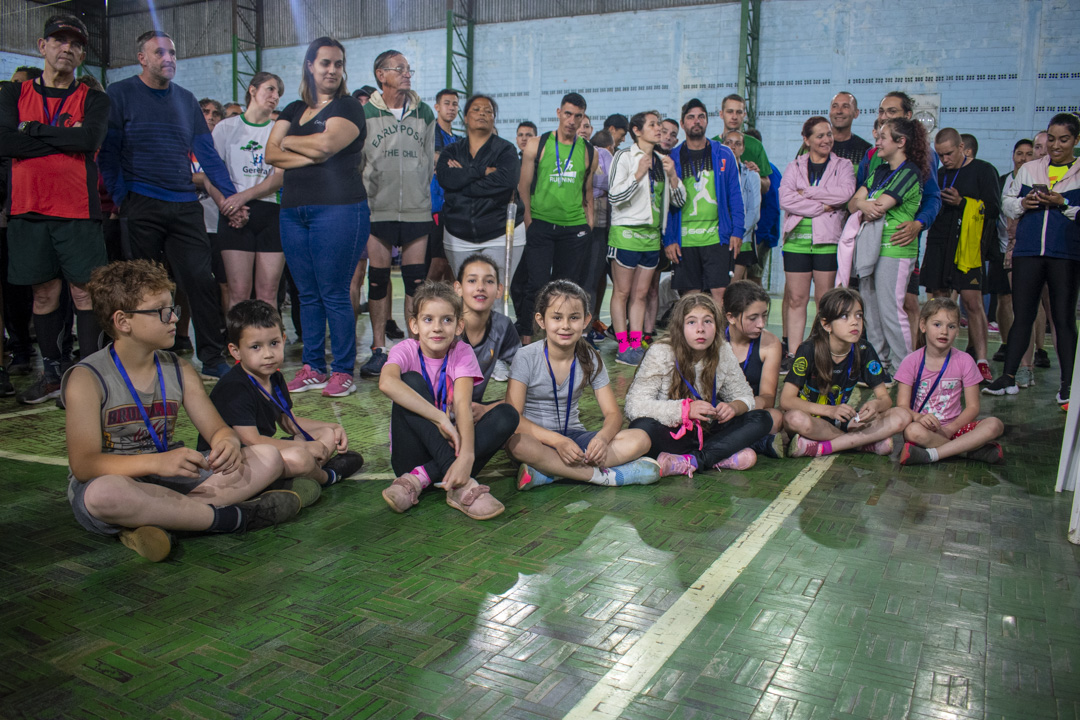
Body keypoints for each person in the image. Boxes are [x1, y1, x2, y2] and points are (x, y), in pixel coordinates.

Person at [62, 260, 299, 563]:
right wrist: (158, 462)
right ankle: (232, 518)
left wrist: (226, 443)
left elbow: (218, 430)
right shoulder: (87, 377)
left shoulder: (179, 369)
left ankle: (167, 519)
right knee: (105, 495)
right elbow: (84, 465)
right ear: (123, 321)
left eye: (172, 308)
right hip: (117, 480)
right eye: (161, 312)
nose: (175, 318)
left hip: (172, 479)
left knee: (267, 457)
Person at [98, 30, 237, 379]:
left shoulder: (186, 100)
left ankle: (212, 356)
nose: (169, 59)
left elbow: (207, 155)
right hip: (141, 203)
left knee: (199, 281)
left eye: (172, 53)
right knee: (143, 289)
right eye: (159, 53)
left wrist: (231, 196)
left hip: (184, 204)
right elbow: (108, 154)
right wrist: (121, 198)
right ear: (141, 58)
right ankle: (144, 357)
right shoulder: (120, 94)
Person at [0, 15, 110, 404]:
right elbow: (5, 144)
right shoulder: (12, 95)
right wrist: (67, 140)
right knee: (44, 295)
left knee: (87, 295)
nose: (67, 48)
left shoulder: (94, 98)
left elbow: (90, 138)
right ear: (41, 46)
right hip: (28, 210)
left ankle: (93, 376)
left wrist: (30, 130)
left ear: (81, 54)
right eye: (58, 41)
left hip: (78, 209)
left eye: (75, 44)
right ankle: (52, 374)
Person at [266, 36, 368, 398]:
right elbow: (271, 154)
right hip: (294, 210)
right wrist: (309, 150)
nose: (332, 70)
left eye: (338, 64)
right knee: (306, 294)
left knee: (334, 292)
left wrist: (292, 141)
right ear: (311, 65)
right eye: (325, 62)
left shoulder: (349, 107)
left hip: (339, 209)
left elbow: (327, 145)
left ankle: (342, 370)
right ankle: (312, 367)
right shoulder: (294, 108)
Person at [378, 281, 517, 519]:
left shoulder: (461, 352)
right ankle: (460, 486)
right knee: (409, 381)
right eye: (428, 319)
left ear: (459, 325)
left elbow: (463, 405)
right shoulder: (406, 349)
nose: (437, 328)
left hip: (454, 454)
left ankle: (419, 479)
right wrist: (439, 417)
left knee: (507, 415)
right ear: (414, 325)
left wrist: (467, 457)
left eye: (447, 320)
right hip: (410, 455)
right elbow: (386, 383)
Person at [506, 280, 660, 490]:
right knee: (517, 444)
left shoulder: (590, 357)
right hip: (539, 440)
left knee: (641, 439)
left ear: (586, 320)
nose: (566, 325)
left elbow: (613, 414)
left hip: (575, 439)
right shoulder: (526, 357)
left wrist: (602, 439)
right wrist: (558, 442)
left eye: (574, 318)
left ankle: (552, 473)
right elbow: (514, 419)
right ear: (541, 320)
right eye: (557, 317)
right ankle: (602, 476)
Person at [201, 299, 366, 486]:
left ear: (283, 339)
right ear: (236, 351)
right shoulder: (235, 387)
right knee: (300, 457)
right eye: (256, 347)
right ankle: (326, 476)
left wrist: (332, 427)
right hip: (234, 461)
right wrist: (304, 447)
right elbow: (252, 440)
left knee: (327, 434)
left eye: (274, 343)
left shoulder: (274, 377)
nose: (268, 354)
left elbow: (289, 423)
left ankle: (296, 476)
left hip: (264, 452)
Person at [985, 113, 1080, 406]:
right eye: (1051, 139)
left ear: (1076, 141)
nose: (1055, 145)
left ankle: (1068, 386)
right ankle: (1009, 378)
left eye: (1063, 139)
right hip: (1028, 252)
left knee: (1063, 319)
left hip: (1065, 253)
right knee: (1022, 315)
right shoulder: (1029, 170)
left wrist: (1062, 202)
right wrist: (1023, 203)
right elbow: (1008, 203)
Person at [625, 292, 773, 477]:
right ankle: (719, 456)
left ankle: (694, 460)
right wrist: (684, 410)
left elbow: (745, 396)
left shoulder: (723, 350)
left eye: (708, 321)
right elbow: (634, 406)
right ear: (680, 327)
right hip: (671, 433)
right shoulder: (661, 352)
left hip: (707, 429)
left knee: (762, 418)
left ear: (717, 325)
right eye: (692, 322)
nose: (700, 329)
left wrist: (734, 407)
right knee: (641, 427)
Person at [359, 49, 437, 378]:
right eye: (399, 69)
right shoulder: (364, 113)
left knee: (416, 283)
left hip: (417, 209)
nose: (407, 74)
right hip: (378, 208)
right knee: (377, 281)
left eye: (408, 69)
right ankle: (379, 348)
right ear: (381, 74)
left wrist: (420, 190)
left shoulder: (424, 112)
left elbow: (429, 158)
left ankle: (412, 349)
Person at [781, 287, 909, 457]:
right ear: (826, 324)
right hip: (813, 420)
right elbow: (786, 400)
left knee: (902, 415)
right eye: (844, 316)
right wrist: (829, 411)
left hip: (845, 421)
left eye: (859, 315)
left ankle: (828, 445)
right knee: (793, 419)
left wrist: (875, 405)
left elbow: (885, 399)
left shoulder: (864, 349)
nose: (854, 322)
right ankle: (861, 444)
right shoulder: (808, 349)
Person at [845, 117, 928, 371]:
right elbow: (852, 204)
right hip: (871, 249)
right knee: (870, 310)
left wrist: (864, 203)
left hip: (896, 249)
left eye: (882, 137)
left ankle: (906, 368)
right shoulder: (879, 171)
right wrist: (862, 204)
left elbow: (879, 208)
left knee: (891, 310)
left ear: (901, 141)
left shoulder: (910, 172)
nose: (877, 141)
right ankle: (879, 366)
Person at [920, 128, 1001, 382]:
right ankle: (942, 358)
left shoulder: (983, 170)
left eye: (949, 154)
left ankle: (981, 360)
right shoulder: (939, 174)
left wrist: (963, 202)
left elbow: (994, 209)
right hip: (939, 243)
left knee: (972, 303)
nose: (945, 159)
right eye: (941, 155)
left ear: (962, 147)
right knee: (939, 304)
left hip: (967, 248)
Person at [517, 92, 598, 342]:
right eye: (568, 114)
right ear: (558, 113)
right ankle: (529, 337)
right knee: (537, 285)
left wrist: (589, 222)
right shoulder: (537, 144)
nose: (572, 120)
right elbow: (523, 187)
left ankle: (559, 338)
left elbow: (587, 191)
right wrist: (530, 222)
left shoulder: (589, 151)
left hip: (574, 228)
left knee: (566, 288)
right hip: (541, 224)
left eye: (578, 116)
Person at [607, 110, 685, 366]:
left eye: (660, 125)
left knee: (641, 295)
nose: (659, 129)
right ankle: (622, 344)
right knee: (622, 292)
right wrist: (638, 173)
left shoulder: (663, 161)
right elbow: (615, 197)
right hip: (626, 235)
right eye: (653, 125)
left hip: (652, 238)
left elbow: (680, 201)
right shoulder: (625, 157)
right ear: (637, 130)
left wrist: (673, 176)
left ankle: (637, 341)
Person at [779, 116, 856, 368]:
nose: (826, 139)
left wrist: (808, 194)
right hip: (796, 244)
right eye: (820, 135)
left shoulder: (843, 165)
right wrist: (823, 206)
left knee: (825, 301)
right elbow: (785, 198)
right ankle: (793, 355)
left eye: (829, 134)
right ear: (807, 140)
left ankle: (823, 353)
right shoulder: (794, 166)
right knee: (796, 300)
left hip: (828, 243)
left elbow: (845, 194)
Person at [896, 298, 1004, 465]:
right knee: (912, 431)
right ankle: (970, 451)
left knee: (995, 424)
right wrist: (918, 417)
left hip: (956, 428)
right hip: (925, 430)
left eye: (951, 326)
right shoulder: (911, 361)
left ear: (957, 331)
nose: (944, 331)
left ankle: (933, 454)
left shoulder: (965, 361)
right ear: (923, 326)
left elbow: (973, 407)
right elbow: (902, 406)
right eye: (937, 324)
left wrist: (951, 429)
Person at [211, 71, 285, 309]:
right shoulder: (225, 128)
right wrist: (228, 205)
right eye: (270, 89)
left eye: (278, 93)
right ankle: (237, 345)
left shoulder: (278, 131)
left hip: (269, 211)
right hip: (232, 214)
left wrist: (242, 197)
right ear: (252, 90)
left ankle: (270, 344)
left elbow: (278, 179)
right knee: (239, 293)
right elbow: (212, 174)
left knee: (267, 293)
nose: (275, 96)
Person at [664, 99, 744, 306]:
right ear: (683, 124)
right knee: (691, 299)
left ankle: (719, 339)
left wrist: (737, 232)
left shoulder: (724, 153)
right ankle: (693, 338)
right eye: (691, 117)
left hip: (716, 237)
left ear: (708, 121)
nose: (696, 121)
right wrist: (669, 239)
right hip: (684, 240)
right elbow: (666, 205)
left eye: (701, 116)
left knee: (720, 294)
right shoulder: (673, 157)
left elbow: (735, 196)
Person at [435, 94, 524, 277]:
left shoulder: (506, 150)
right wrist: (482, 171)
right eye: (476, 110)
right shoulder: (452, 151)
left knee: (495, 296)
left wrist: (462, 181)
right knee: (466, 296)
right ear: (465, 118)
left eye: (488, 111)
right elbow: (445, 179)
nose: (482, 113)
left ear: (494, 119)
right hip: (457, 234)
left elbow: (507, 182)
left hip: (500, 233)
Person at [722, 281, 786, 457]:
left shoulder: (771, 343)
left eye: (764, 316)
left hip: (749, 411)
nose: (761, 324)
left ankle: (732, 444)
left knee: (775, 417)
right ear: (731, 317)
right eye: (753, 318)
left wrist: (738, 407)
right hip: (717, 411)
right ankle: (756, 443)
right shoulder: (714, 340)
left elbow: (768, 398)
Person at [993, 138, 1034, 378]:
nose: (1023, 158)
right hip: (1001, 249)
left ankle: (1028, 361)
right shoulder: (1002, 181)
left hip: (1027, 251)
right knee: (1004, 300)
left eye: (1029, 153)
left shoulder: (1038, 183)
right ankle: (1008, 344)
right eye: (1019, 153)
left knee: (1028, 306)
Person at [454, 253, 520, 404]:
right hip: (437, 408)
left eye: (489, 281)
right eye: (472, 280)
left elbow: (525, 371)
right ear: (458, 288)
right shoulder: (445, 324)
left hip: (474, 409)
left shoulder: (502, 325)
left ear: (499, 290)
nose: (480, 287)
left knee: (507, 415)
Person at [428, 87, 460, 283]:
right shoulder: (431, 133)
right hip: (435, 207)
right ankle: (422, 307)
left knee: (451, 265)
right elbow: (439, 162)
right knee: (437, 264)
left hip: (453, 207)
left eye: (455, 104)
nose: (451, 108)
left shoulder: (456, 139)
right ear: (437, 107)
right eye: (447, 103)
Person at [584, 129, 614, 341]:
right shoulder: (572, 152)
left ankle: (588, 329)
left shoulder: (603, 154)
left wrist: (593, 180)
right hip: (578, 222)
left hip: (601, 226)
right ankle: (582, 331)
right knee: (584, 280)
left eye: (586, 124)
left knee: (593, 279)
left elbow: (610, 182)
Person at [721, 130, 762, 283]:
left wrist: (737, 232)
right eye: (728, 142)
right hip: (719, 239)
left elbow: (754, 212)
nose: (733, 146)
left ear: (743, 148)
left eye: (737, 143)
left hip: (742, 240)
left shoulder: (752, 175)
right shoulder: (715, 173)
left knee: (733, 288)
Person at [713, 94, 770, 193]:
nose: (734, 117)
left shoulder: (755, 145)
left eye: (739, 112)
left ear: (744, 115)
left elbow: (766, 186)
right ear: (721, 114)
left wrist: (754, 176)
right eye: (730, 112)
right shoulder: (712, 145)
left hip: (746, 206)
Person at [828, 91, 872, 167]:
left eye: (845, 106)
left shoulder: (865, 150)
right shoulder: (814, 145)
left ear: (856, 113)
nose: (839, 111)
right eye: (835, 106)